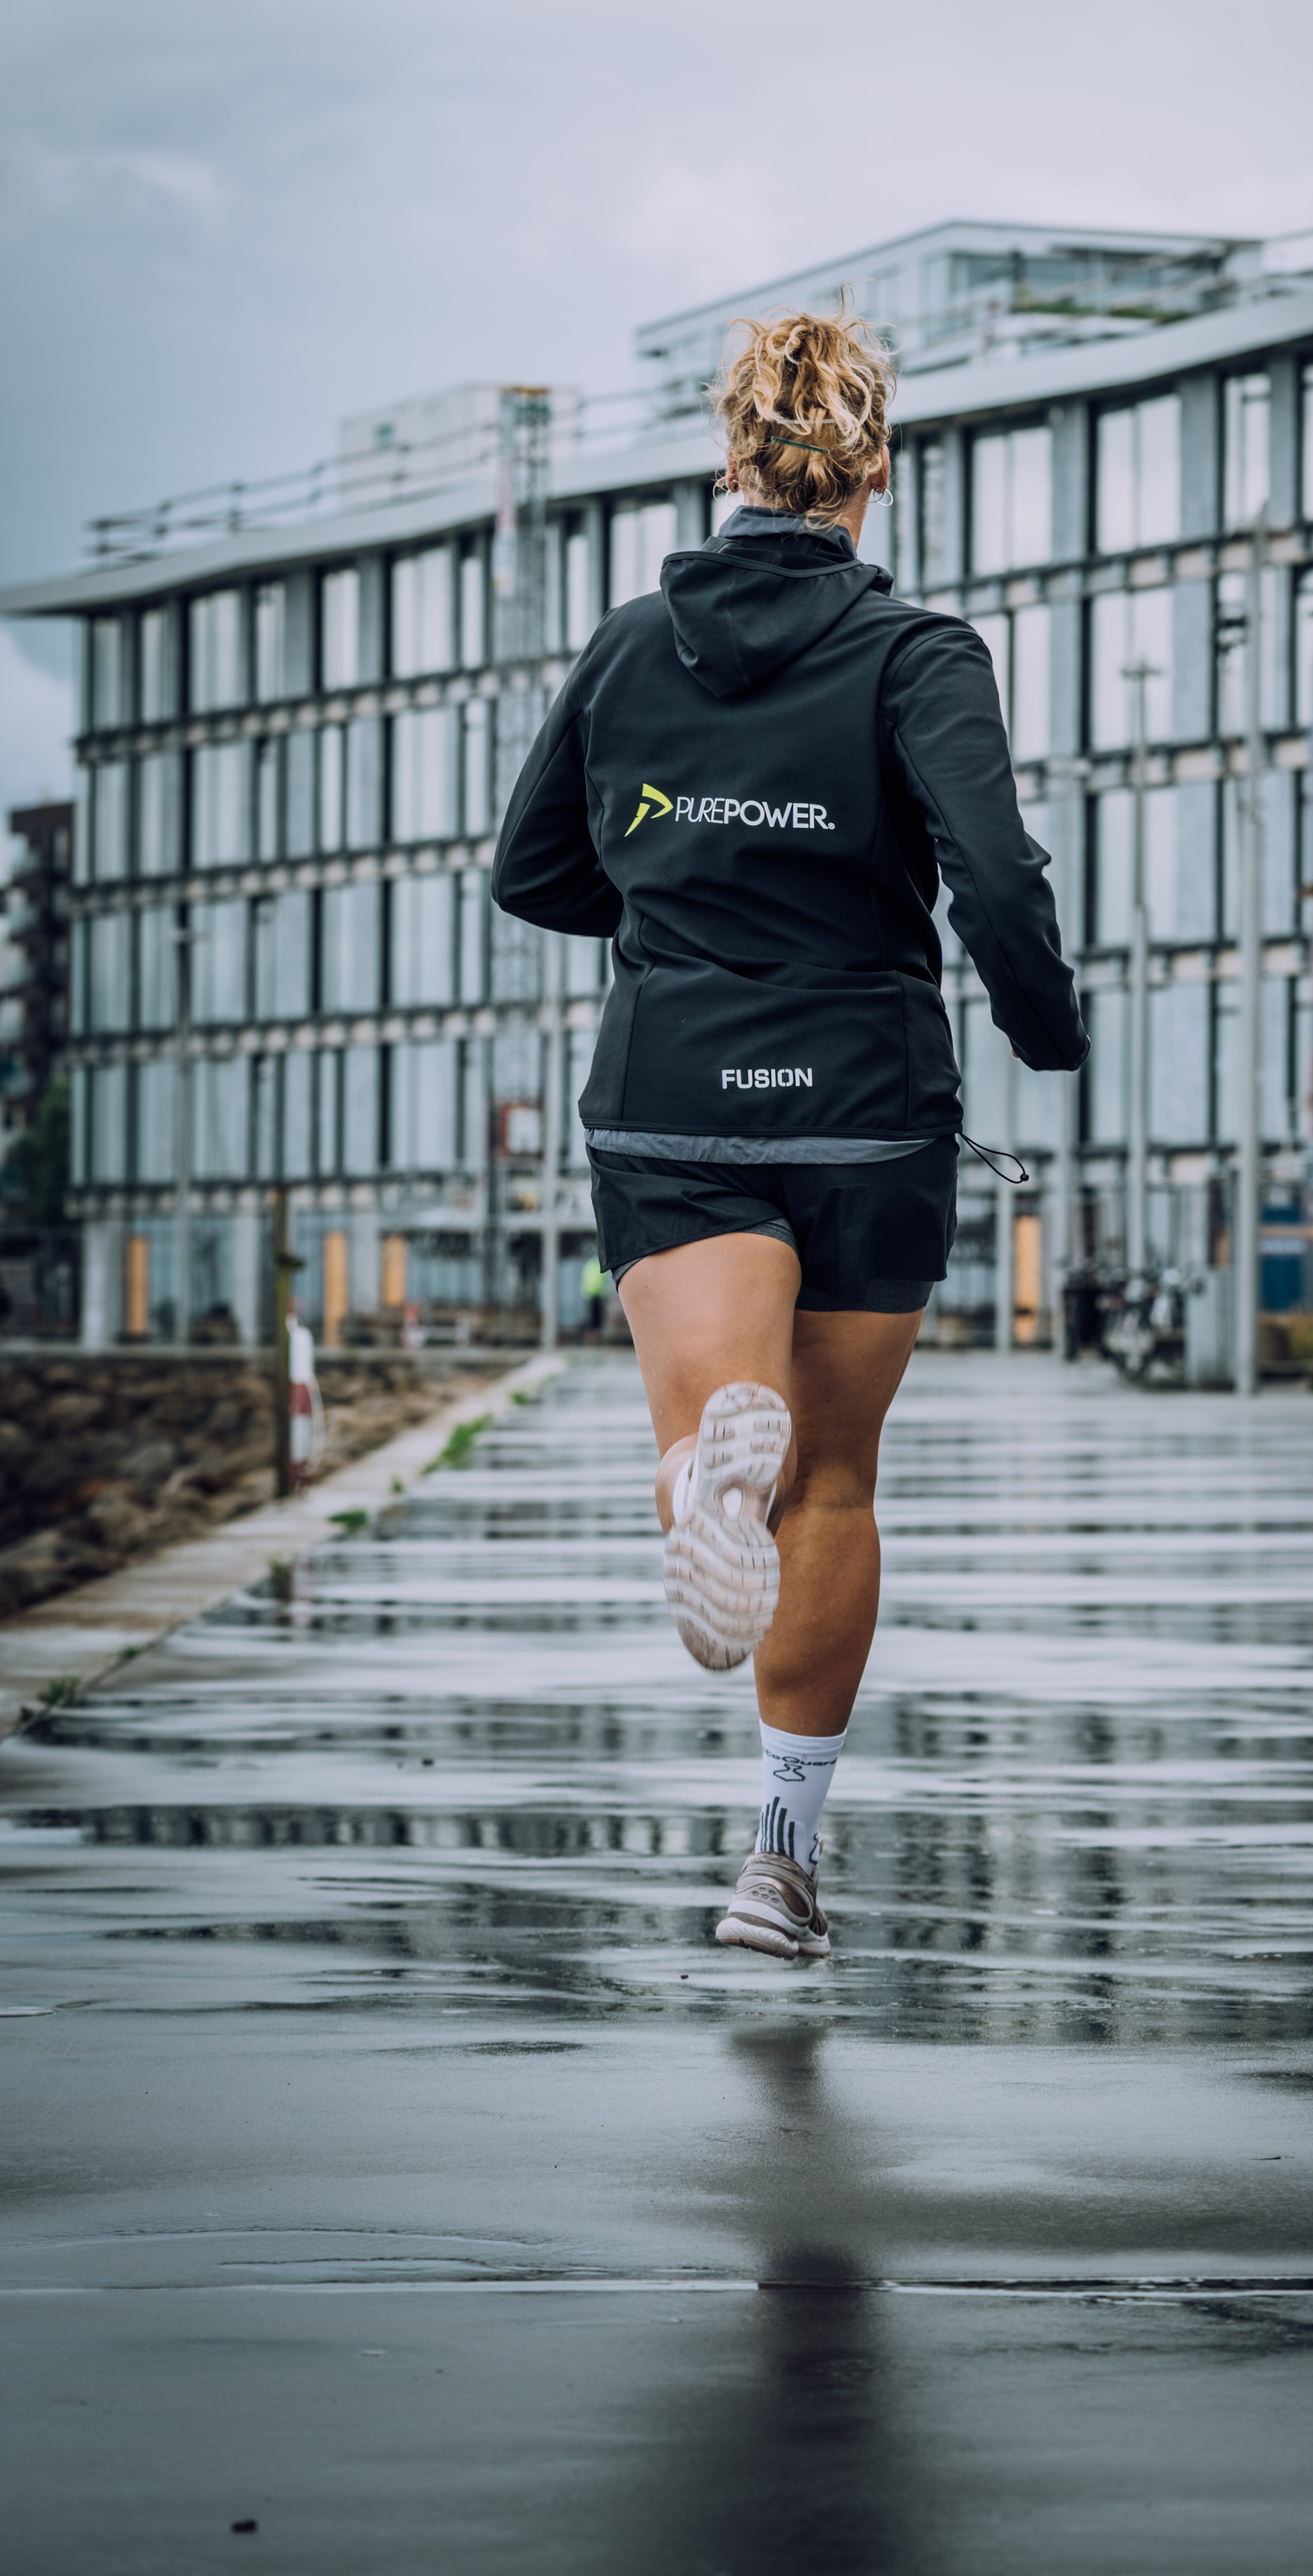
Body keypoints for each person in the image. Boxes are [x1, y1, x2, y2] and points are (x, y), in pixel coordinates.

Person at [491, 310, 1085, 1961]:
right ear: (872, 472)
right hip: (865, 1103)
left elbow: (528, 872)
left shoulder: (624, 649)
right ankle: (779, 1861)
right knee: (830, 1482)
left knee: (724, 1425)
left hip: (675, 1087)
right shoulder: (917, 655)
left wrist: (684, 879)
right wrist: (1046, 1027)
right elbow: (995, 877)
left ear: (728, 461)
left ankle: (695, 1476)